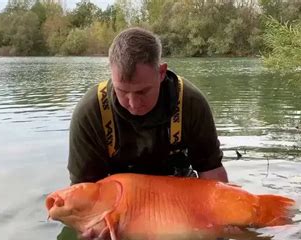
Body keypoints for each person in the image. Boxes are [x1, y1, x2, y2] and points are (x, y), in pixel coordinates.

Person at [67, 27, 228, 184]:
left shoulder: (191, 103)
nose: (133, 104)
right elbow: (83, 190)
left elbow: (211, 171)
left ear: (161, 73)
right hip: (120, 202)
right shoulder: (90, 112)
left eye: (142, 92)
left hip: (179, 197)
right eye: (122, 91)